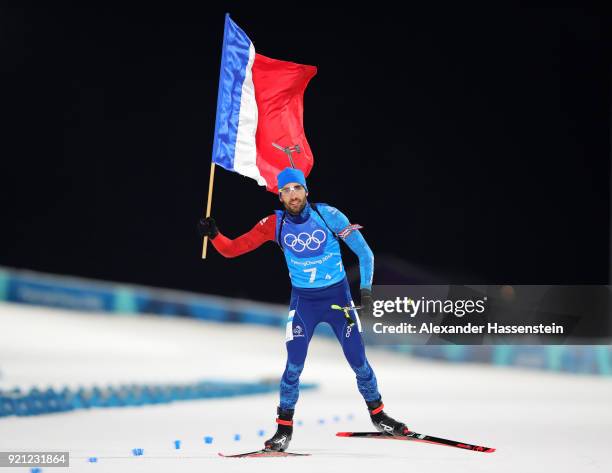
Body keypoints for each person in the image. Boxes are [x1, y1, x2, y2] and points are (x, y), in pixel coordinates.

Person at [198, 167, 407, 451]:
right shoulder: (274, 224)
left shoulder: (329, 215)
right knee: (293, 364)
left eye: (296, 188)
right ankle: (283, 429)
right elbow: (234, 249)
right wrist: (215, 234)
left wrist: (366, 291)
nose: (292, 195)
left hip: (338, 301)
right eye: (285, 191)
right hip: (304, 303)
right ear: (280, 196)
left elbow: (365, 253)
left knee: (358, 361)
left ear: (306, 191)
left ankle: (378, 415)